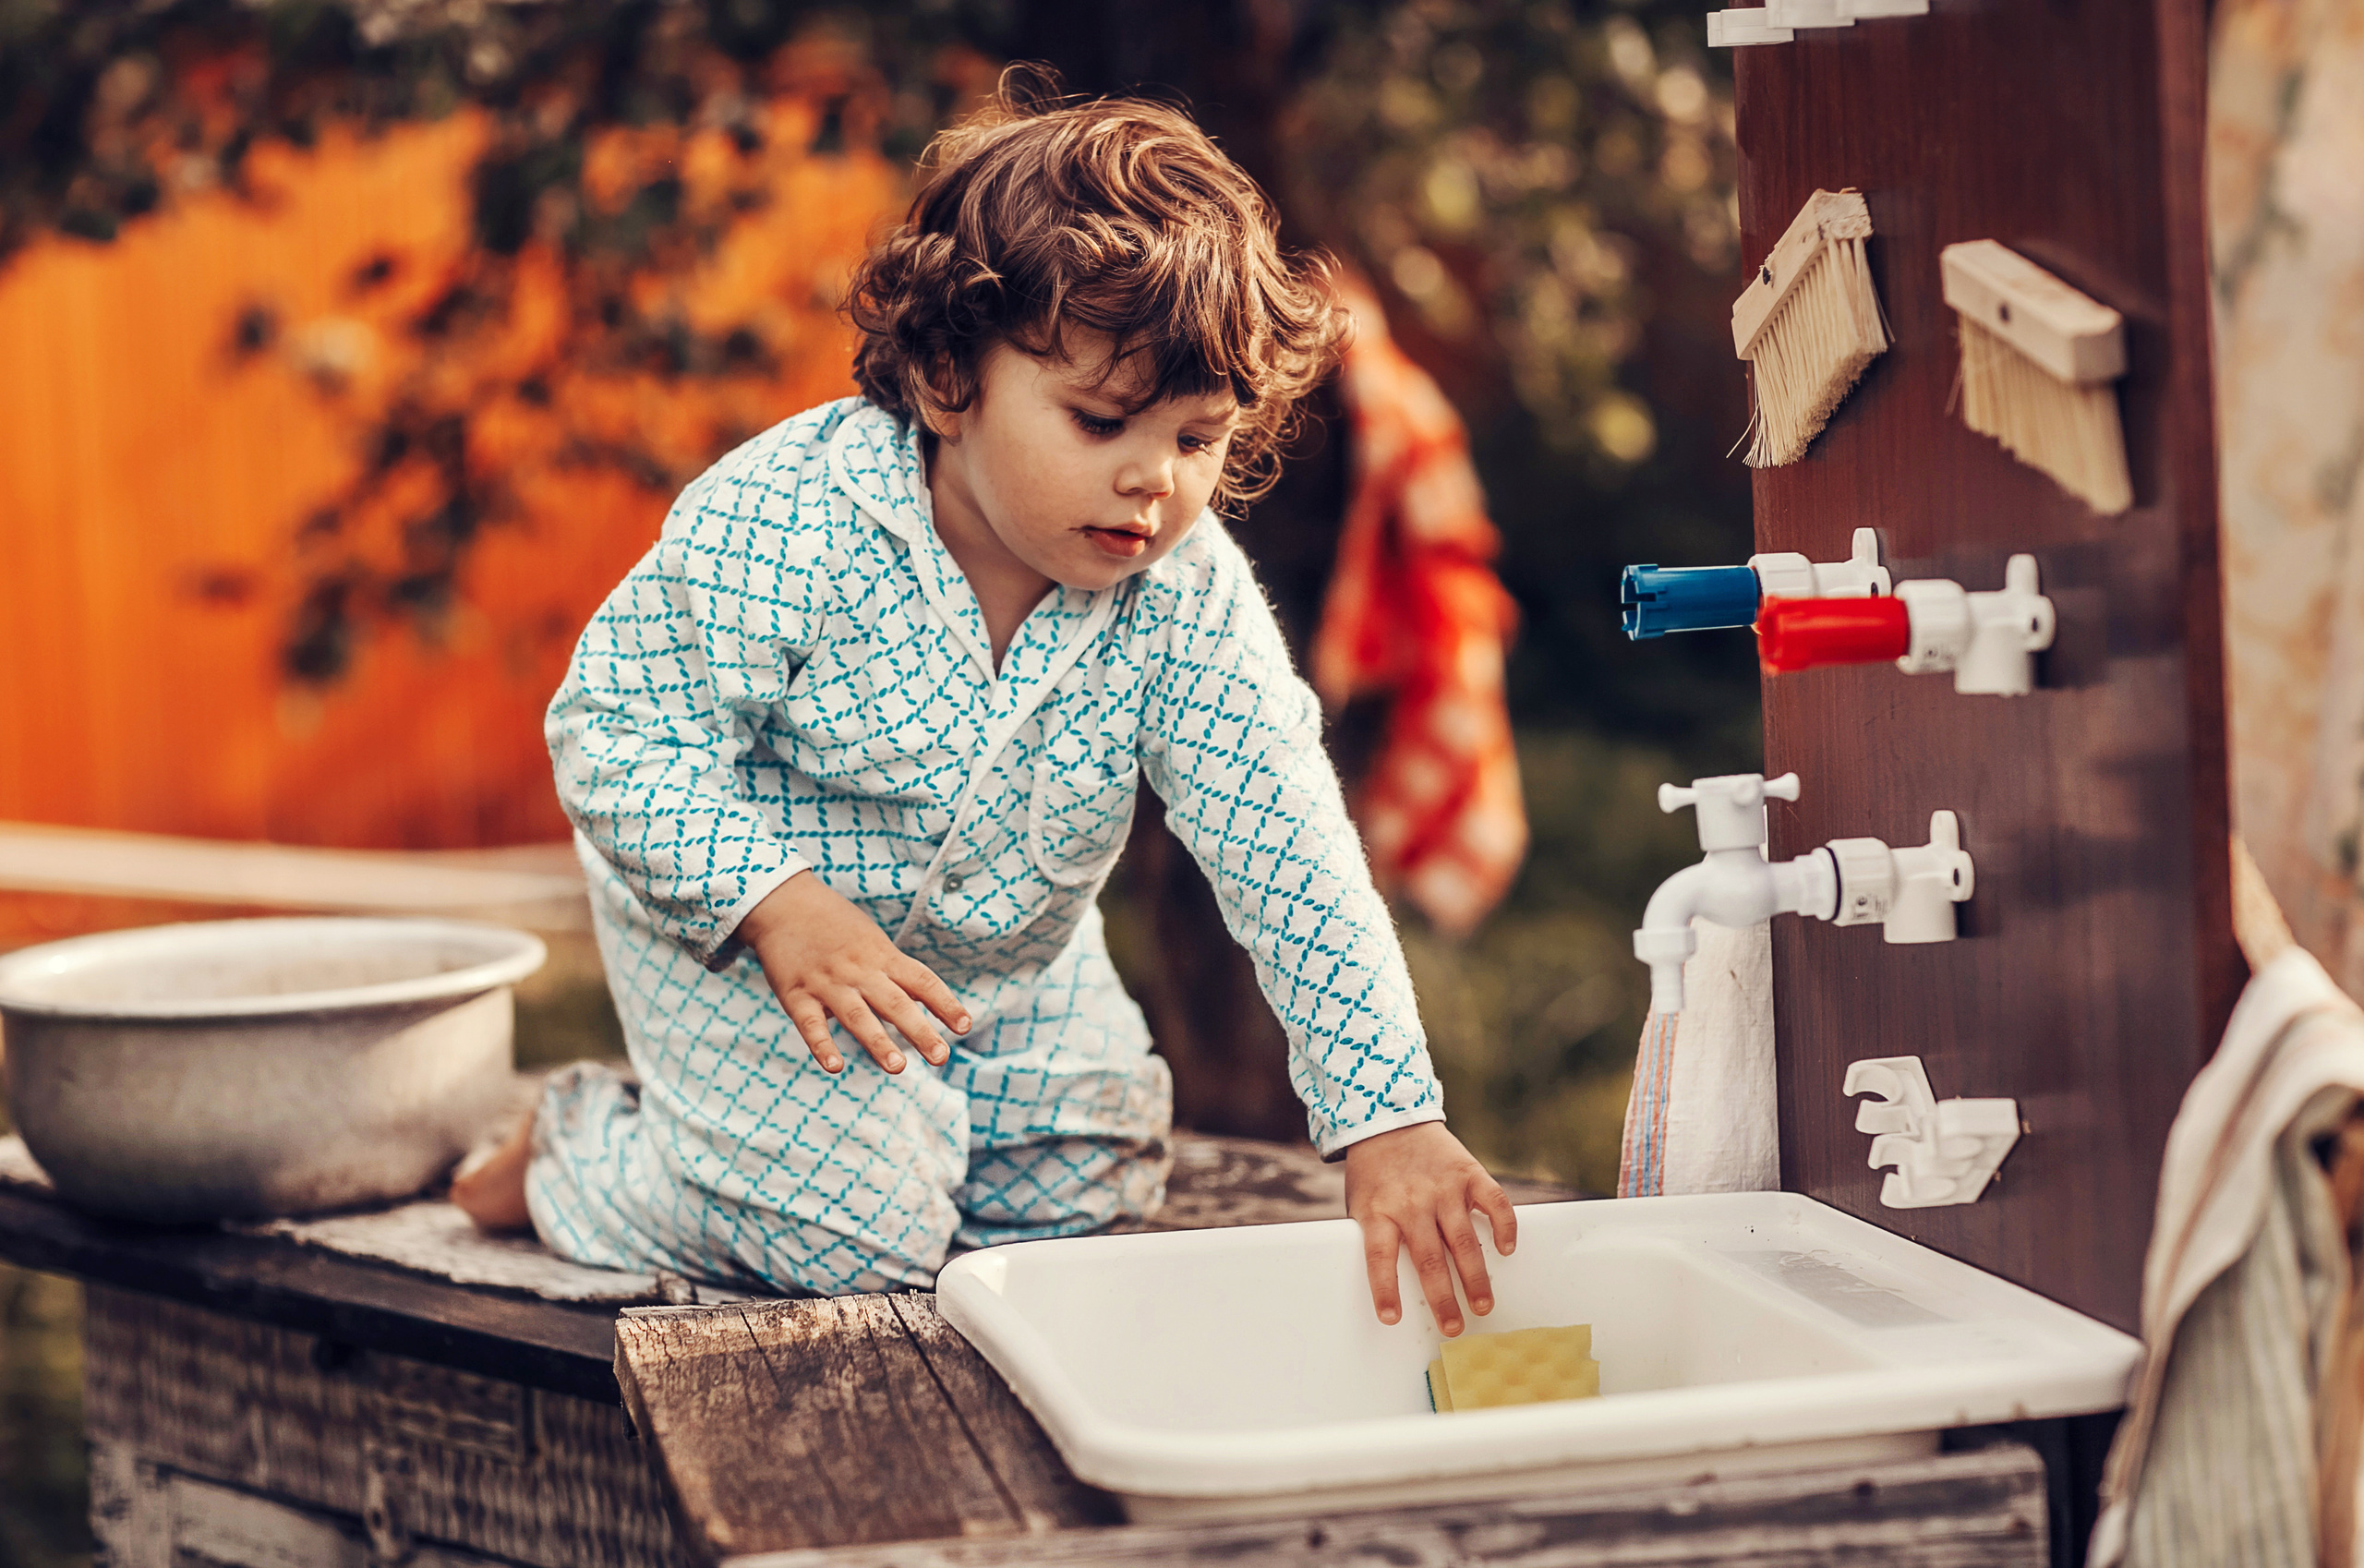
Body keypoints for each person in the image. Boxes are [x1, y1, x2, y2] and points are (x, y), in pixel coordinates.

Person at [452, 75, 1518, 1336]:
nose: (1152, 482)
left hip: (1001, 973)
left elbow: (1286, 841)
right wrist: (775, 906)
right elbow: (615, 728)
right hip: (750, 946)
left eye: (1197, 439)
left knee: (1094, 1190)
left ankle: (838, 1145)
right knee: (853, 1235)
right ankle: (589, 1151)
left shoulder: (1180, 593)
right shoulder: (793, 518)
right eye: (1103, 419)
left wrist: (1387, 1114)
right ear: (949, 377)